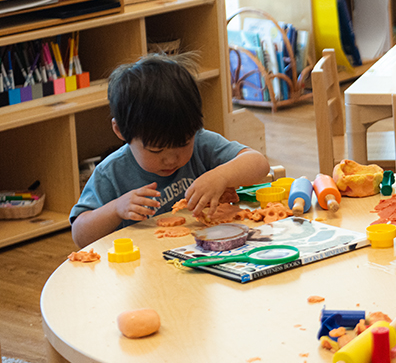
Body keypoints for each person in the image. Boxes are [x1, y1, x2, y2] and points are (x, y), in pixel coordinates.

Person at [70, 54, 271, 247]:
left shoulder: (201, 143)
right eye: (156, 150)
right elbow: (80, 236)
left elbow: (258, 163)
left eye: (183, 144)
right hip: (143, 269)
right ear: (121, 131)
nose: (171, 160)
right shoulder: (111, 172)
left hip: (203, 255)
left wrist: (222, 176)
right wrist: (115, 209)